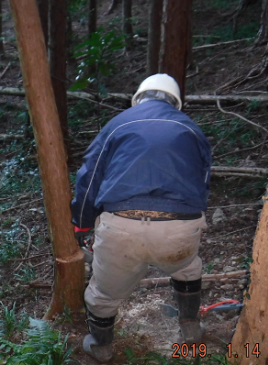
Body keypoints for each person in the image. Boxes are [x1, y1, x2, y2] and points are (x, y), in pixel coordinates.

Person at [71, 74, 211, 363]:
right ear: (176, 102)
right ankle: (190, 327)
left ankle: (101, 346)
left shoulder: (117, 124)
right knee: (189, 268)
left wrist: (83, 224)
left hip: (122, 227)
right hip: (178, 230)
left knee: (103, 294)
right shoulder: (192, 130)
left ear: (138, 98)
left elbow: (88, 179)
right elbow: (203, 183)